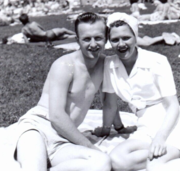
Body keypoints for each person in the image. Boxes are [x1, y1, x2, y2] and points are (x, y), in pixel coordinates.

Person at [11, 12, 112, 171]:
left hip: (64, 138)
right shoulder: (65, 65)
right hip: (38, 127)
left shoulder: (104, 64)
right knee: (34, 167)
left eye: (98, 38)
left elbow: (109, 100)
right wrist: (87, 145)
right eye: (86, 39)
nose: (93, 44)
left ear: (106, 38)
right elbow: (56, 116)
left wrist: (114, 128)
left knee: (102, 162)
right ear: (77, 39)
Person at [94, 12, 180, 171]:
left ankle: (175, 148)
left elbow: (173, 105)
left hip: (168, 121)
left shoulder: (157, 61)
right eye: (115, 39)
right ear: (109, 42)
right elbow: (110, 104)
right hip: (144, 125)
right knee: (117, 160)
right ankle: (173, 153)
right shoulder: (109, 65)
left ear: (135, 38)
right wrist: (107, 129)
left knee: (154, 166)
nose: (121, 44)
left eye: (126, 38)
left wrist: (161, 137)